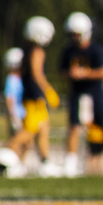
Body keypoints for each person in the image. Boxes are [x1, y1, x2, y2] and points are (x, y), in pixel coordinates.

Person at [14, 16, 62, 175]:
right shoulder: (37, 50)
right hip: (34, 96)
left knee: (42, 130)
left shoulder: (25, 51)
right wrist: (49, 91)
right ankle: (4, 156)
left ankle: (44, 162)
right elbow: (37, 73)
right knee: (28, 132)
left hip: (29, 96)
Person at [61, 13, 103, 178]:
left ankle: (95, 161)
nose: (74, 37)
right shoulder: (68, 51)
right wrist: (71, 74)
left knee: (98, 125)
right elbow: (62, 71)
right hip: (76, 93)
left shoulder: (95, 50)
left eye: (76, 34)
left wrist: (85, 73)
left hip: (94, 92)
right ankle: (70, 164)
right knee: (74, 126)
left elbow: (101, 71)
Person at [2, 48, 26, 140]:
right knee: (17, 140)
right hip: (16, 115)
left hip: (24, 114)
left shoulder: (22, 78)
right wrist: (13, 117)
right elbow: (9, 98)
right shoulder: (11, 79)